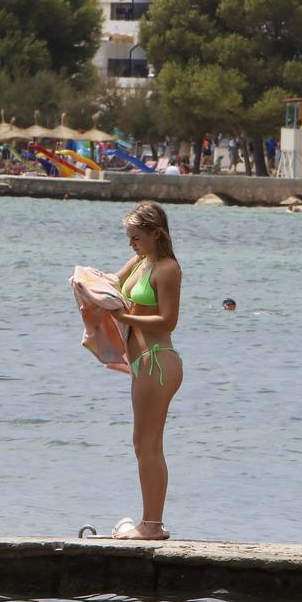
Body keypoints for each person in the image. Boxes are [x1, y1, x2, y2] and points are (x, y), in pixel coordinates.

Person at [112, 203, 184, 542]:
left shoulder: (167, 268)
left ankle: (152, 525)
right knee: (143, 444)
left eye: (136, 237)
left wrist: (126, 319)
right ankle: (149, 522)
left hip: (158, 361)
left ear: (157, 233)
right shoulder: (141, 263)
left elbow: (168, 320)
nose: (131, 244)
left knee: (148, 445)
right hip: (141, 363)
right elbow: (112, 283)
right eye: (128, 238)